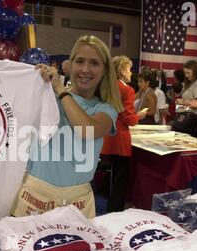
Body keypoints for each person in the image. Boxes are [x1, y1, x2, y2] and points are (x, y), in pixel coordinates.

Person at [11, 35, 123, 218]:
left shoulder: (105, 109)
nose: (85, 69)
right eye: (80, 61)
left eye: (94, 63)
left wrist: (62, 91)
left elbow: (87, 130)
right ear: (70, 65)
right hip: (34, 196)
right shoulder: (47, 95)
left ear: (104, 70)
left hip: (77, 203)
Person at [101, 55, 147, 212]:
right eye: (129, 69)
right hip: (119, 139)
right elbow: (128, 118)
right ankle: (115, 209)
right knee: (121, 178)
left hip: (106, 136)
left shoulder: (105, 86)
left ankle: (109, 205)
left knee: (113, 174)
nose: (131, 73)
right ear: (121, 71)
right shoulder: (127, 90)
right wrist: (138, 116)